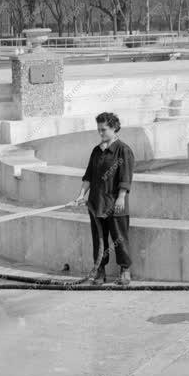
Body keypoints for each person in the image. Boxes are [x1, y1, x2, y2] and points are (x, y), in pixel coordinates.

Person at [75, 112, 135, 286]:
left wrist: (121, 198)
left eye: (104, 130)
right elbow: (88, 177)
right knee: (99, 239)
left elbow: (126, 177)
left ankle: (125, 270)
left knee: (119, 238)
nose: (100, 133)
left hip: (116, 204)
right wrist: (81, 195)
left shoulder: (123, 150)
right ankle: (100, 270)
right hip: (97, 205)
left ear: (114, 128)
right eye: (99, 130)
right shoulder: (96, 151)